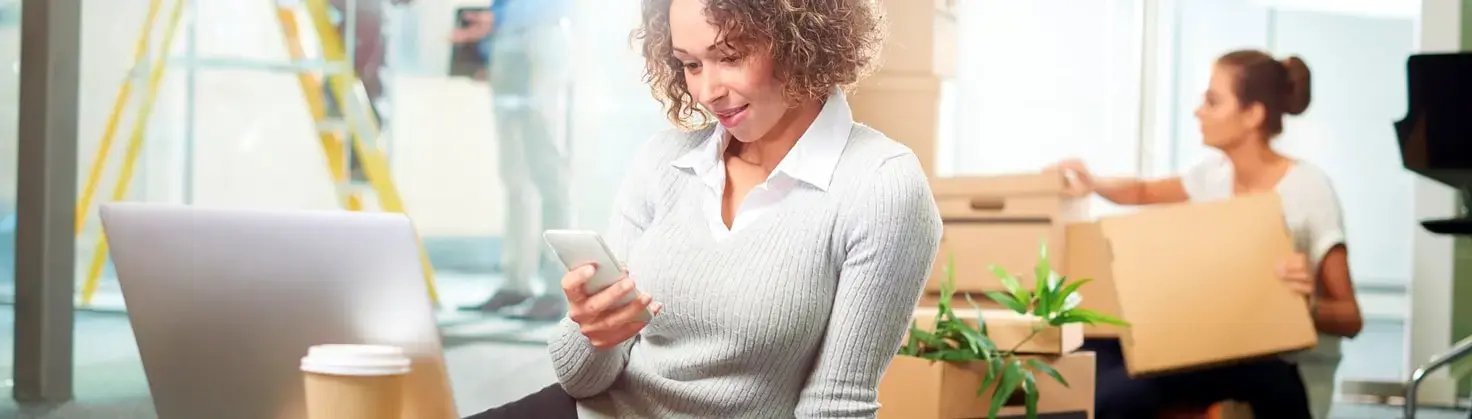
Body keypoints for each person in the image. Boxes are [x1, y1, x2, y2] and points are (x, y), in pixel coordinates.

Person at [464, 0, 942, 417]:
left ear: (801, 40)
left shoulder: (880, 185)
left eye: (729, 57)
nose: (707, 91)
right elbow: (581, 383)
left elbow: (837, 406)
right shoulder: (664, 160)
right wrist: (594, 332)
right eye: (690, 64)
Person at [1055, 50, 1363, 419]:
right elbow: (1143, 192)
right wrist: (1093, 183)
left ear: (1253, 114)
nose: (1198, 111)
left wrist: (1303, 304)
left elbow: (1350, 317)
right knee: (1091, 347)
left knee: (1119, 397)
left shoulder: (1308, 190)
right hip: (1207, 347)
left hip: (1266, 356)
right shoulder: (1212, 174)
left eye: (1212, 101)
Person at [451, 0, 577, 320]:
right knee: (514, 173)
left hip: (539, 35)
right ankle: (516, 283)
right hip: (505, 41)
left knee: (549, 170)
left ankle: (556, 288)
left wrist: (495, 19)